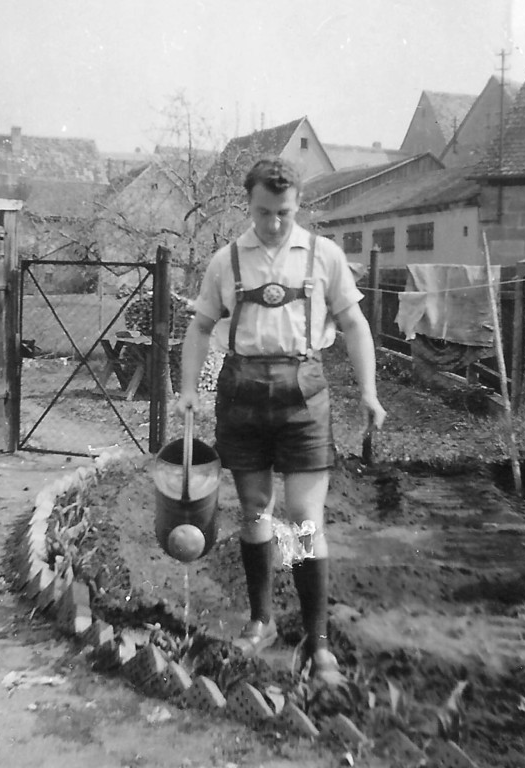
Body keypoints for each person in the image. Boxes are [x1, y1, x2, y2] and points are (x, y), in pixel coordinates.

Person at [176, 157, 386, 685]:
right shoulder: (225, 261)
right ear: (248, 204)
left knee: (301, 517)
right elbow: (201, 328)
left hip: (303, 393)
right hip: (242, 391)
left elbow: (356, 325)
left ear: (298, 206)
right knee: (253, 510)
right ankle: (263, 620)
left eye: (284, 213)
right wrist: (186, 391)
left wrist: (369, 392)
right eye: (264, 213)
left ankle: (317, 643)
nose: (273, 224)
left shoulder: (324, 255)